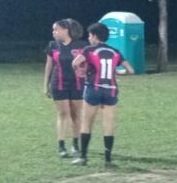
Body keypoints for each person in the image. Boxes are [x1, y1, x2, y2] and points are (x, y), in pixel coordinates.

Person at [71, 22, 134, 166]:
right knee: (108, 124)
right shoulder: (115, 51)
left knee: (87, 123)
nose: (89, 38)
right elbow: (131, 70)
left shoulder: (89, 50)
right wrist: (117, 72)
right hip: (110, 90)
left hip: (93, 88)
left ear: (94, 36)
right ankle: (108, 159)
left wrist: (80, 72)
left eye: (89, 35)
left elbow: (75, 63)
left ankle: (83, 157)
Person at [43, 18, 88, 158]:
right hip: (59, 84)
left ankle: (75, 144)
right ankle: (61, 145)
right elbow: (49, 65)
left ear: (65, 30)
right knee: (63, 114)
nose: (53, 32)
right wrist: (46, 85)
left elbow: (88, 64)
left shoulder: (82, 45)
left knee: (76, 114)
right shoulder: (53, 45)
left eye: (56, 29)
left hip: (78, 84)